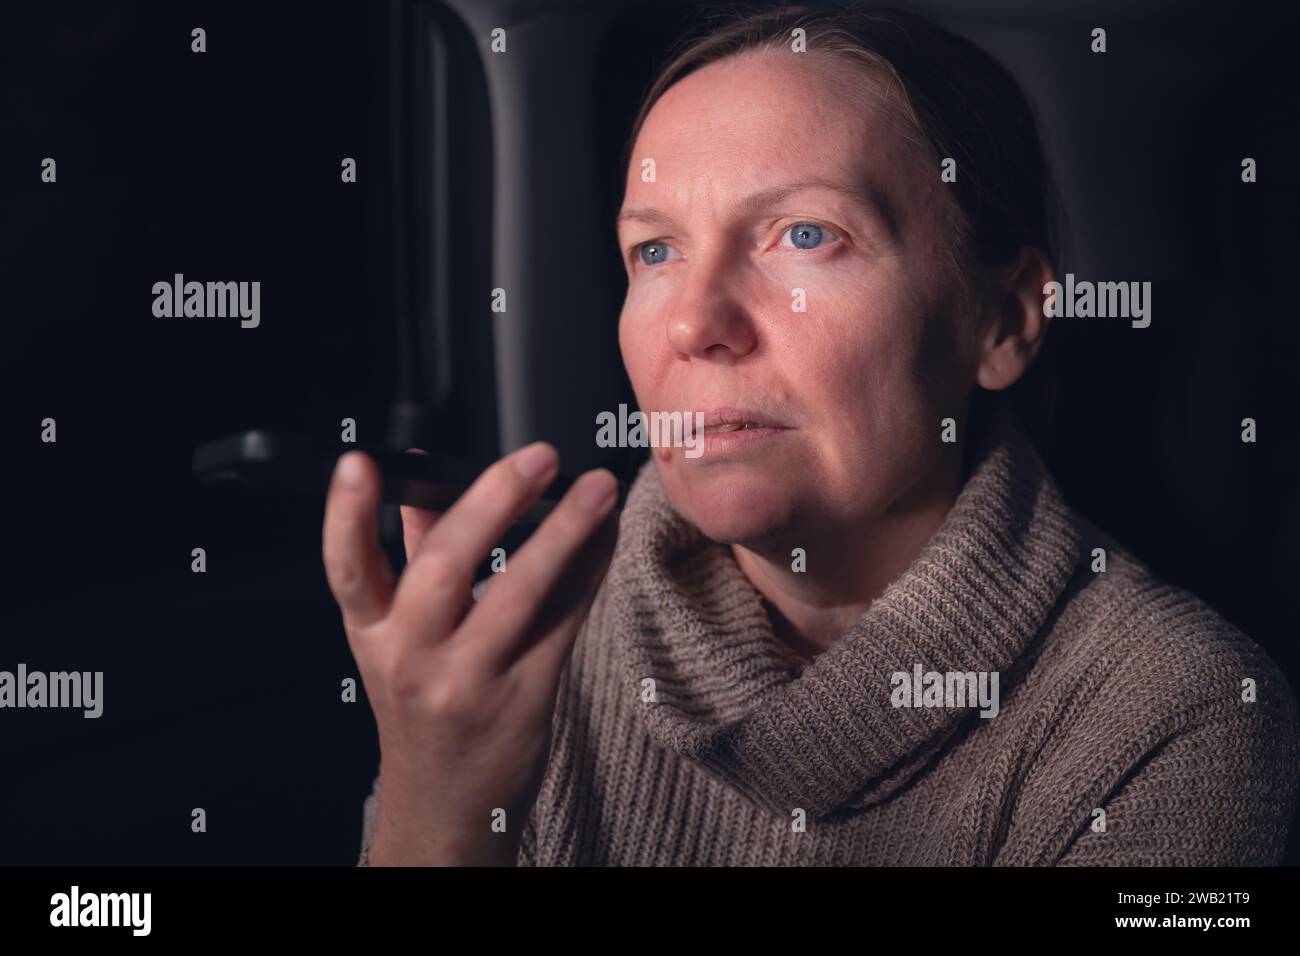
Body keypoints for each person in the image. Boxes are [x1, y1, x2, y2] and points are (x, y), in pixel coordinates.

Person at [322, 4, 1299, 866]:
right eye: (653, 250)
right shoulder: (507, 655)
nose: (694, 320)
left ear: (1002, 318)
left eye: (803, 235)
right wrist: (438, 806)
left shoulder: (1176, 713)